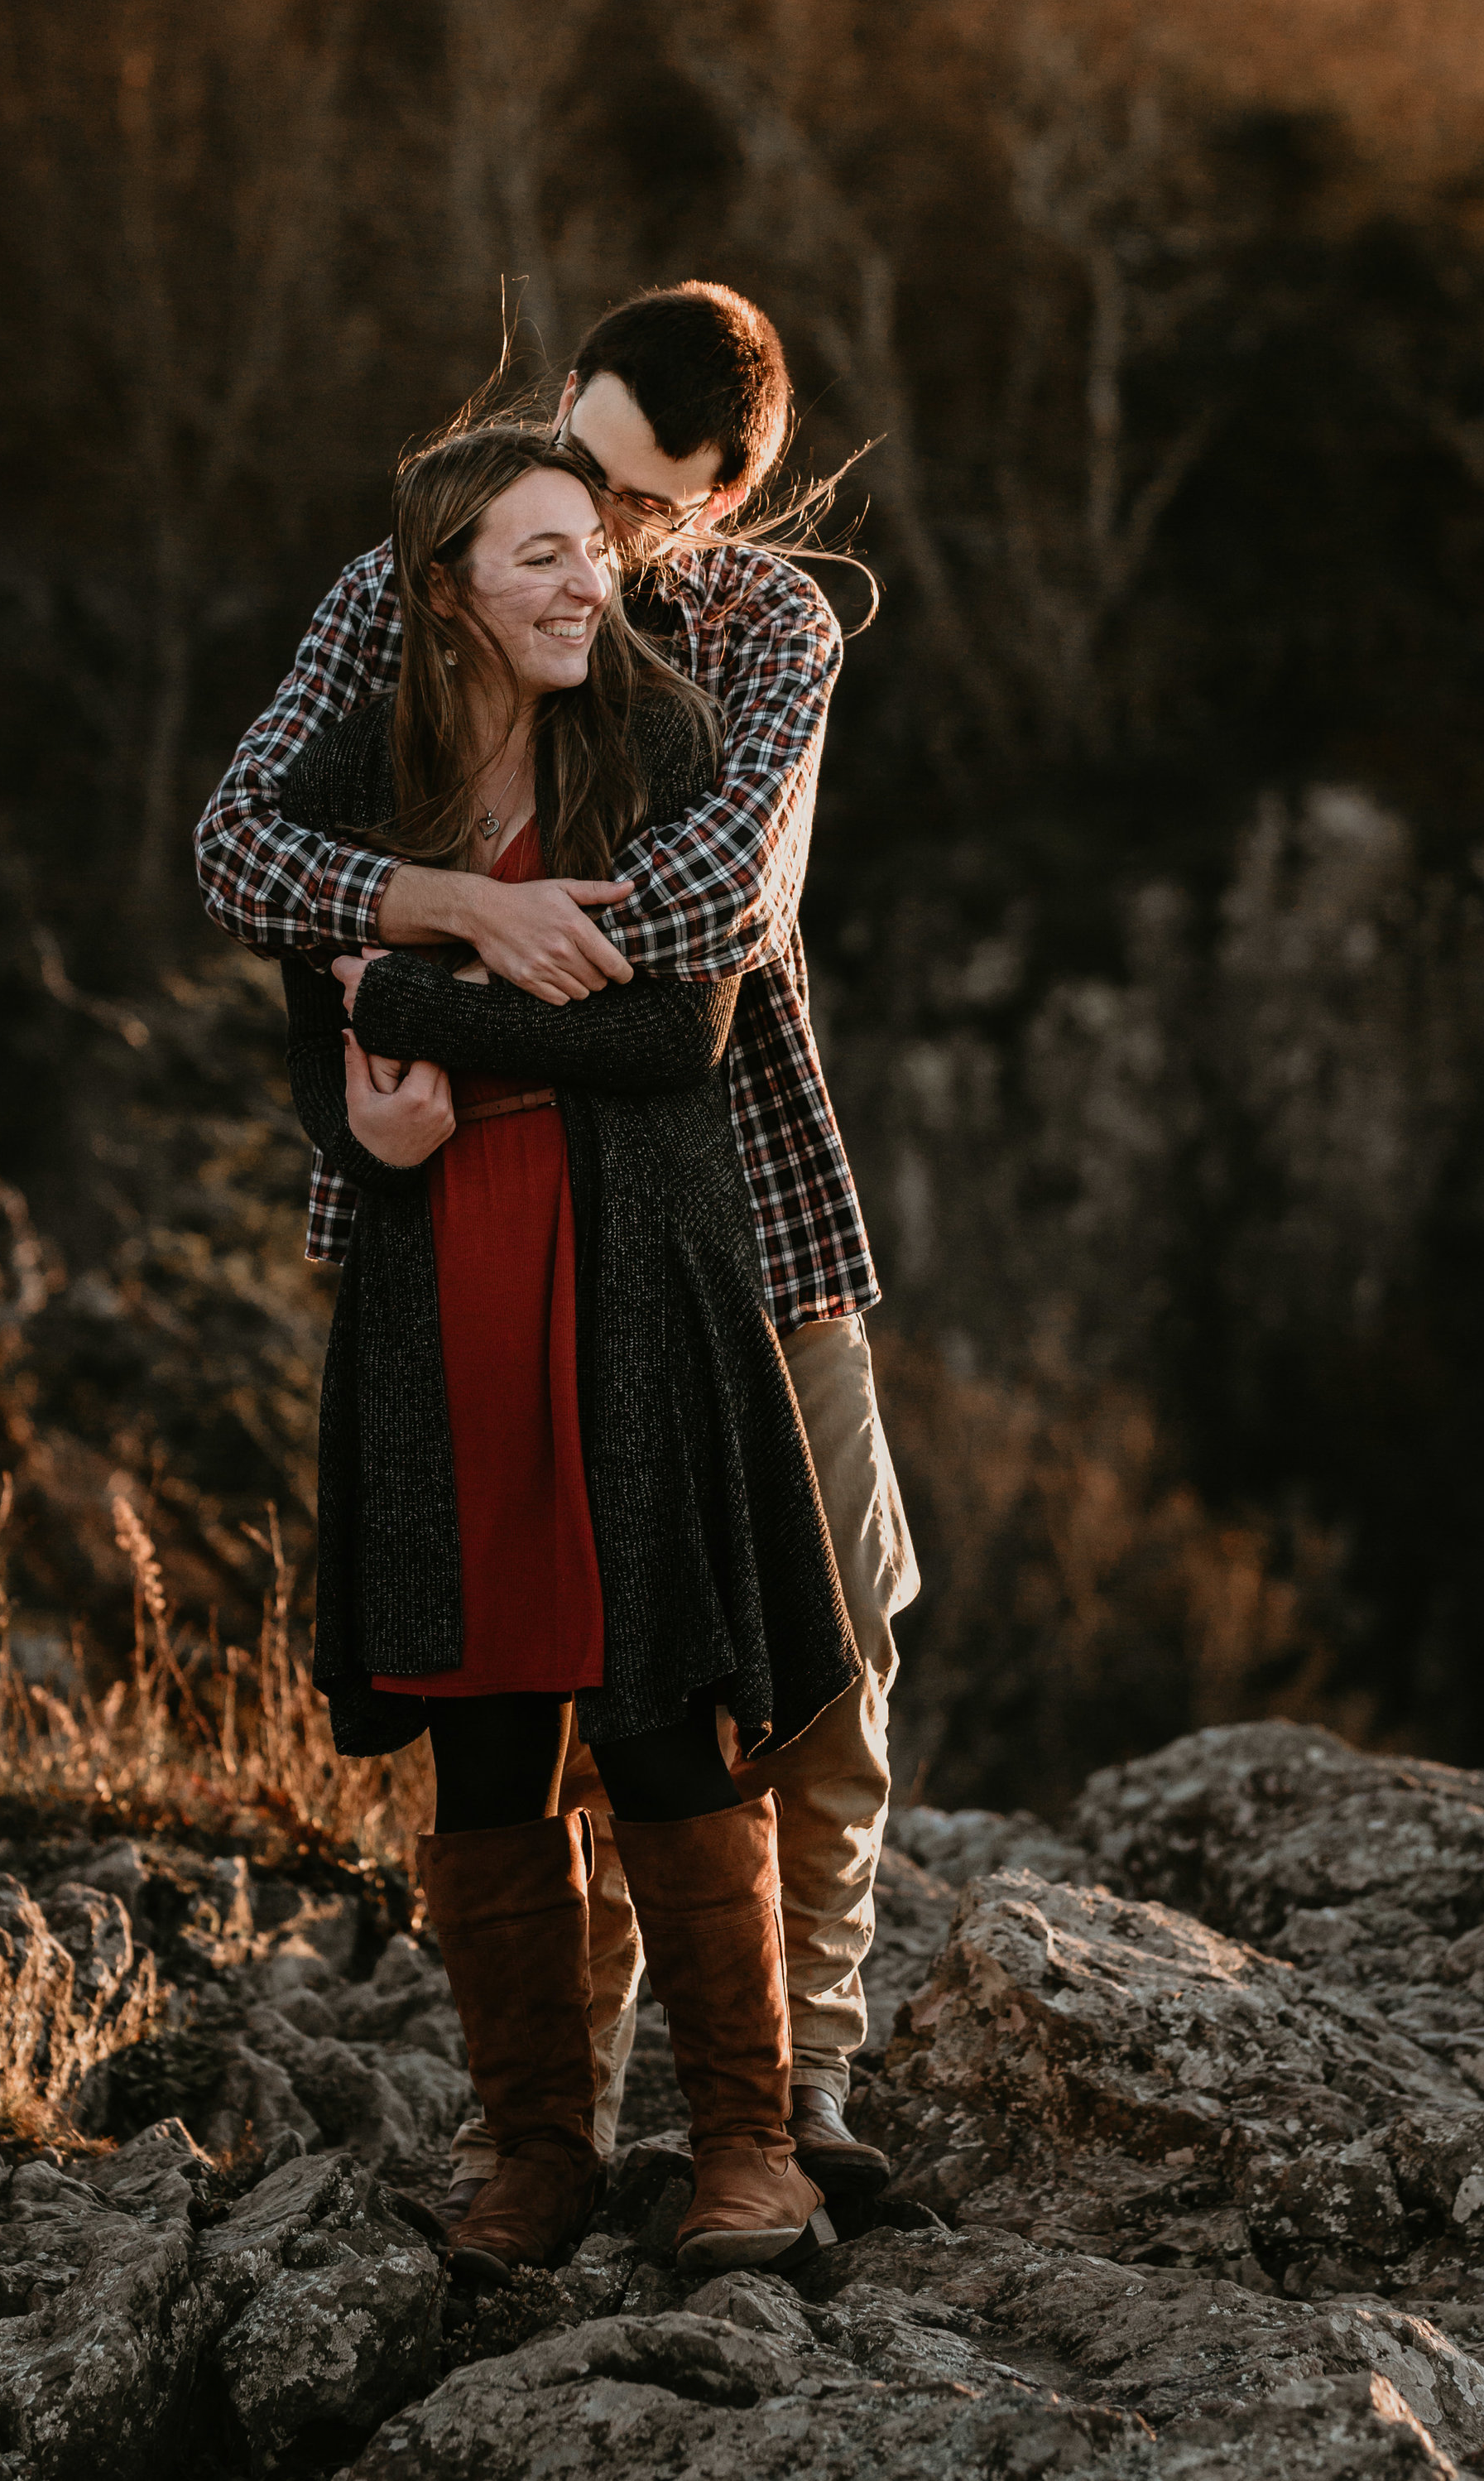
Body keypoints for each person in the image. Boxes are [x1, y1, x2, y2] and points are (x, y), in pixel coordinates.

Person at [195, 281, 918, 2194]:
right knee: (518, 1670)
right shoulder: (418, 574)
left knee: (814, 1656)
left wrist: (406, 976)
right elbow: (246, 849)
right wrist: (436, 898)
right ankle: (567, 2128)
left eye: (644, 510)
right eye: (578, 477)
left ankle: (794, 2100)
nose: (602, 535)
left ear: (720, 506)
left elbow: (702, 918)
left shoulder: (755, 634)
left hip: (736, 1214)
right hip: (457, 1218)